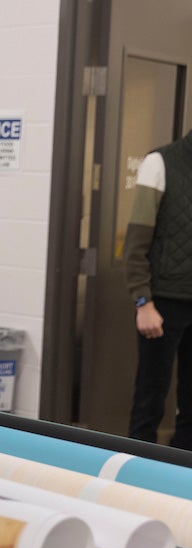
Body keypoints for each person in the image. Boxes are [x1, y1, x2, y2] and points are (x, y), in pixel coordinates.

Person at [123, 129, 192, 450]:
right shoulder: (160, 162)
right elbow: (136, 244)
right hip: (163, 303)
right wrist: (143, 301)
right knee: (150, 398)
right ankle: (135, 478)